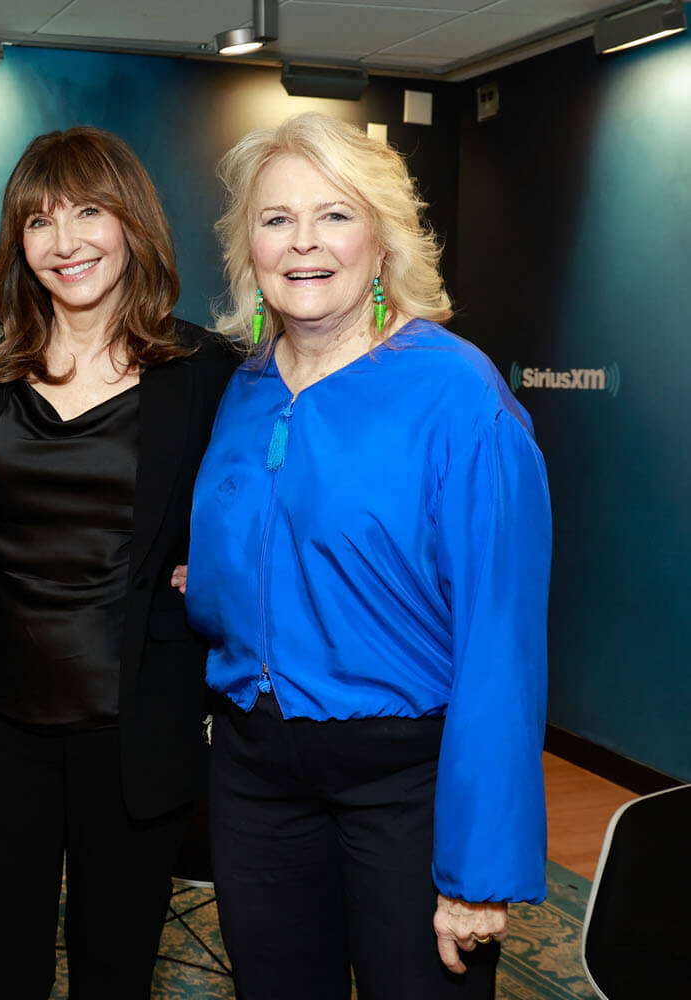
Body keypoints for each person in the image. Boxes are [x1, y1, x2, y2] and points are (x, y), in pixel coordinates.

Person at [181, 111, 551, 998]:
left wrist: (480, 869)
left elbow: (500, 644)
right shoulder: (246, 387)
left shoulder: (459, 395)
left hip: (405, 781)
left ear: (382, 239)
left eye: (335, 215)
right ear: (249, 248)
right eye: (276, 219)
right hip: (256, 770)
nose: (303, 243)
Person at [0, 126, 236, 999]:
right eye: (38, 221)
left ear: (132, 221)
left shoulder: (204, 368)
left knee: (115, 972)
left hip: (134, 729)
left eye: (87, 212)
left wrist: (222, 568)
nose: (64, 241)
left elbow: (251, 504)